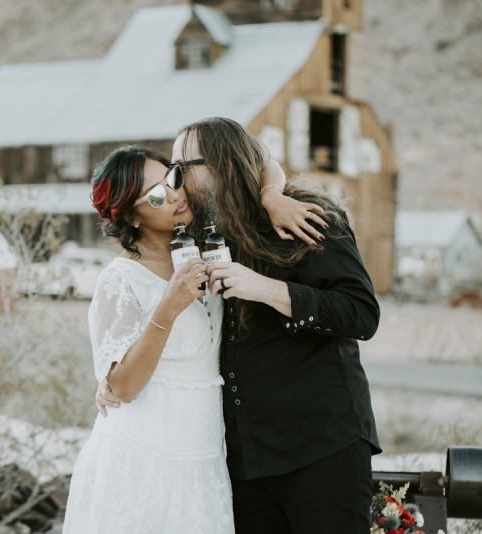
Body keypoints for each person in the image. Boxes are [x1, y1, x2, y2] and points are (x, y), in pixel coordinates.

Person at [97, 118, 382, 534]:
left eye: (182, 169)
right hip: (241, 464)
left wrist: (268, 289)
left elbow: (361, 313)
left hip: (320, 446)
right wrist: (111, 371)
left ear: (224, 167)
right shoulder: (199, 232)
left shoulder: (304, 215)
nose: (175, 184)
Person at [62, 144, 318, 534]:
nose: (176, 194)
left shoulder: (206, 243)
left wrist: (271, 194)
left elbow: (262, 160)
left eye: (173, 177)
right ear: (130, 214)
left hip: (204, 463)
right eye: (157, 194)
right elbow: (123, 388)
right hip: (142, 458)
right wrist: (168, 308)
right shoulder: (120, 279)